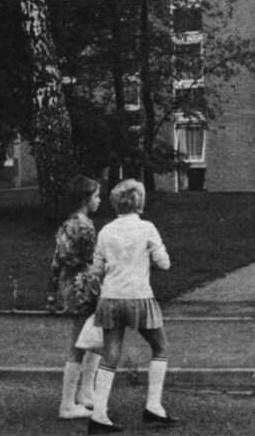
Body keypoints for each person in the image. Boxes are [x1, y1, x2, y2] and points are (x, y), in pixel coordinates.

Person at [88, 179, 177, 434]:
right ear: (139, 201)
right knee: (160, 347)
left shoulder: (105, 231)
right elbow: (164, 264)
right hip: (139, 296)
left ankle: (99, 413)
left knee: (111, 353)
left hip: (110, 297)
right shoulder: (147, 228)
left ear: (116, 202)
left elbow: (97, 270)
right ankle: (153, 406)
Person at [46, 175, 104, 420]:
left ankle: (84, 393)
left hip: (68, 286)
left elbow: (56, 261)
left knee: (89, 339)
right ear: (85, 199)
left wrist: (52, 292)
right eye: (96, 196)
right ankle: (69, 403)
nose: (99, 201)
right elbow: (92, 261)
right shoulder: (85, 226)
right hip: (84, 288)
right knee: (82, 343)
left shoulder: (66, 224)